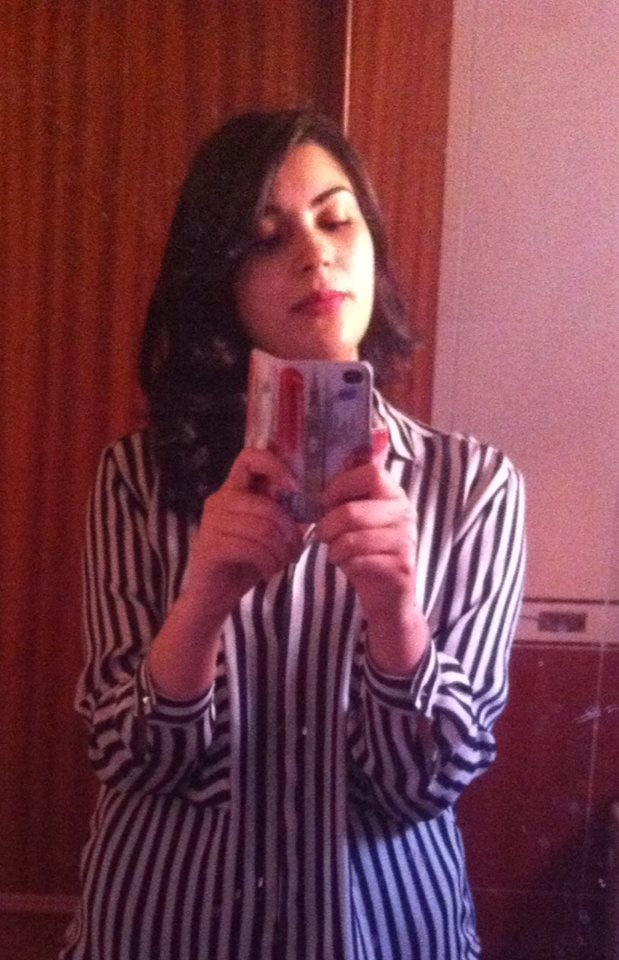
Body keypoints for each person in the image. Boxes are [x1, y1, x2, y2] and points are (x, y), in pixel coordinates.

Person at [61, 109, 526, 960]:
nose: (315, 255)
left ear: (371, 243)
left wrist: (396, 616)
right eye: (265, 239)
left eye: (335, 220)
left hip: (383, 932)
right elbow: (130, 758)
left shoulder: (473, 488)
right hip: (168, 928)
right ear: (221, 281)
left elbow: (428, 783)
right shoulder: (136, 479)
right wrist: (201, 604)